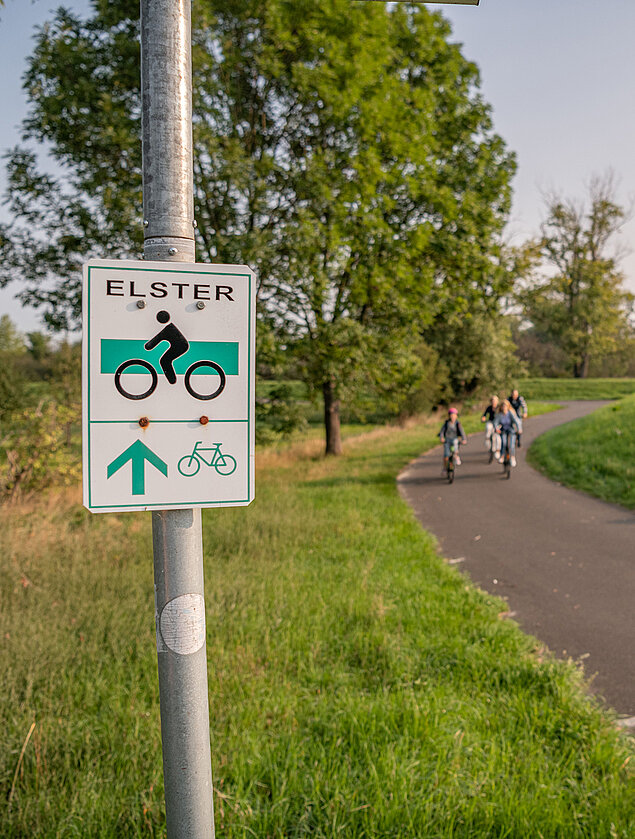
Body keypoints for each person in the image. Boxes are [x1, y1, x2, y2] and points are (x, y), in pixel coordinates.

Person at [144, 310, 189, 384]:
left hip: (181, 346)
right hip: (182, 345)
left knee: (164, 361)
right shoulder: (168, 329)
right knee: (164, 360)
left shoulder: (167, 330)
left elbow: (151, 345)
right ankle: (172, 381)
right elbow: (152, 343)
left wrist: (148, 346)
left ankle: (172, 381)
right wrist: (148, 346)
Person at [495, 399, 520, 467]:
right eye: (503, 406)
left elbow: (516, 421)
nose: (504, 408)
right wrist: (496, 428)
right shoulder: (499, 415)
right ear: (501, 407)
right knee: (504, 442)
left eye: (505, 406)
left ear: (508, 407)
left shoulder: (510, 413)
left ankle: (512, 457)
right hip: (503, 431)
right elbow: (496, 423)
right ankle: (502, 456)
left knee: (511, 444)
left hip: (511, 430)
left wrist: (519, 429)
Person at [481, 395, 501, 460]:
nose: (494, 402)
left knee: (497, 436)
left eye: (495, 401)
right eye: (492, 401)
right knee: (488, 428)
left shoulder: (499, 407)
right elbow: (484, 414)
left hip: (497, 423)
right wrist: (483, 418)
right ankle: (487, 439)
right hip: (490, 421)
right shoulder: (489, 408)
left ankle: (497, 450)